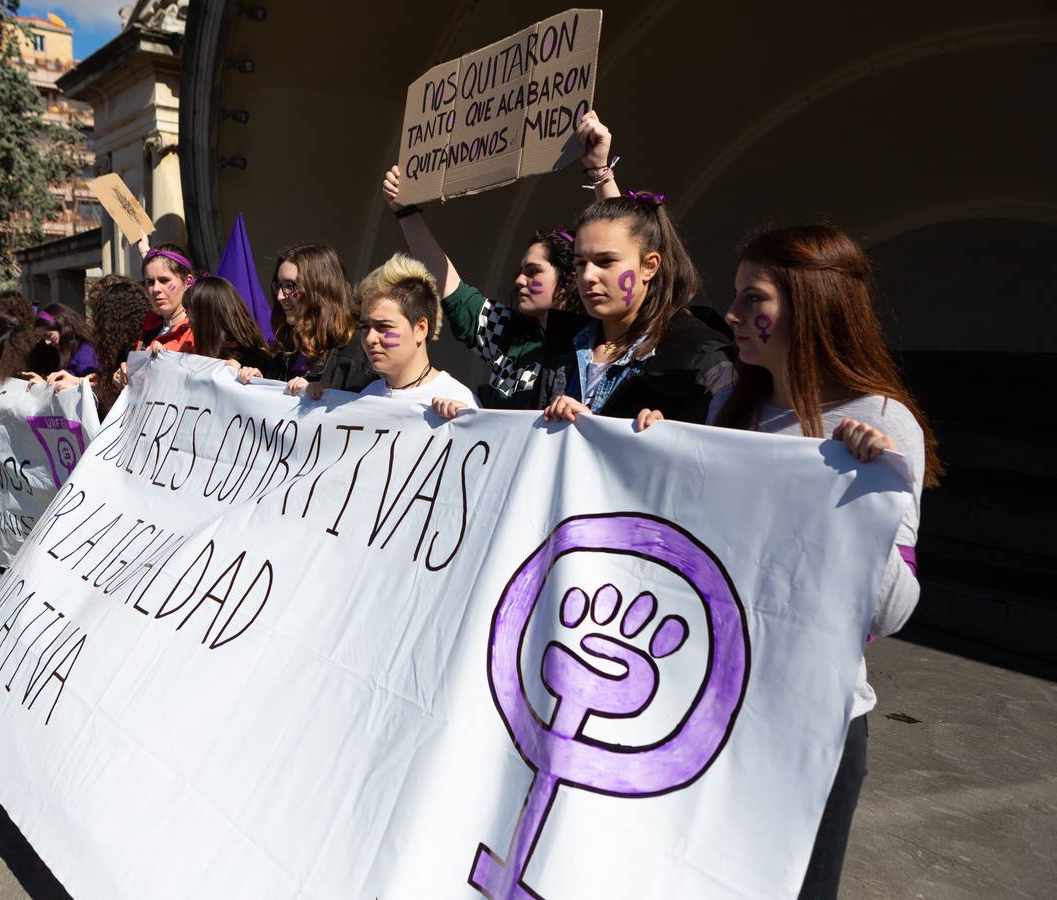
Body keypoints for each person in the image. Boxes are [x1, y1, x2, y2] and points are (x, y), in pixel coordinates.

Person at [634, 224, 941, 898]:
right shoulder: (731, 405)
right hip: (712, 701)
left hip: (813, 725)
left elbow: (891, 612)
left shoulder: (883, 420)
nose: (735, 316)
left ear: (815, 307)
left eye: (754, 299)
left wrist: (870, 492)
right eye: (737, 298)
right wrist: (653, 463)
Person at [381, 110, 621, 408]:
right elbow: (450, 289)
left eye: (533, 272)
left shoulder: (595, 339)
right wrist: (405, 213)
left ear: (570, 277)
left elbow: (623, 245)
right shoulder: (508, 334)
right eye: (521, 271)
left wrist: (600, 171)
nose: (520, 280)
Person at [540, 193, 734, 424]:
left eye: (606, 261)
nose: (588, 276)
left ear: (649, 266)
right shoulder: (561, 346)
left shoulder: (698, 356)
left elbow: (717, 452)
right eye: (580, 263)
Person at [347, 253, 477, 410]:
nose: (370, 338)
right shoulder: (366, 396)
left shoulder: (458, 400)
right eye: (365, 327)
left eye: (383, 327)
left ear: (420, 329)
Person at [238, 243, 373, 394]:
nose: (280, 296)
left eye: (290, 286)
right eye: (278, 286)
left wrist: (322, 395)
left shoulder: (356, 351)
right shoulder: (287, 349)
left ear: (320, 288)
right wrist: (260, 383)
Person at [53, 276, 150, 417]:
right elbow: (106, 387)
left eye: (98, 314)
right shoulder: (116, 349)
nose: (94, 322)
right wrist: (80, 383)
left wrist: (81, 387)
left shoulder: (140, 348)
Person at [184, 276, 274, 371]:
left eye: (192, 314)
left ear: (209, 318)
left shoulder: (255, 363)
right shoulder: (199, 355)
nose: (188, 320)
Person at [139, 243, 197, 352]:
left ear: (187, 281)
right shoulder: (147, 327)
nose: (156, 288)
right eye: (150, 282)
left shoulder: (199, 330)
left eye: (164, 280)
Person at [38, 303, 100, 377]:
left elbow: (94, 382)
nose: (47, 342)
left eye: (49, 336)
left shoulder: (85, 351)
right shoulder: (67, 351)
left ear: (62, 327)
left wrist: (75, 381)